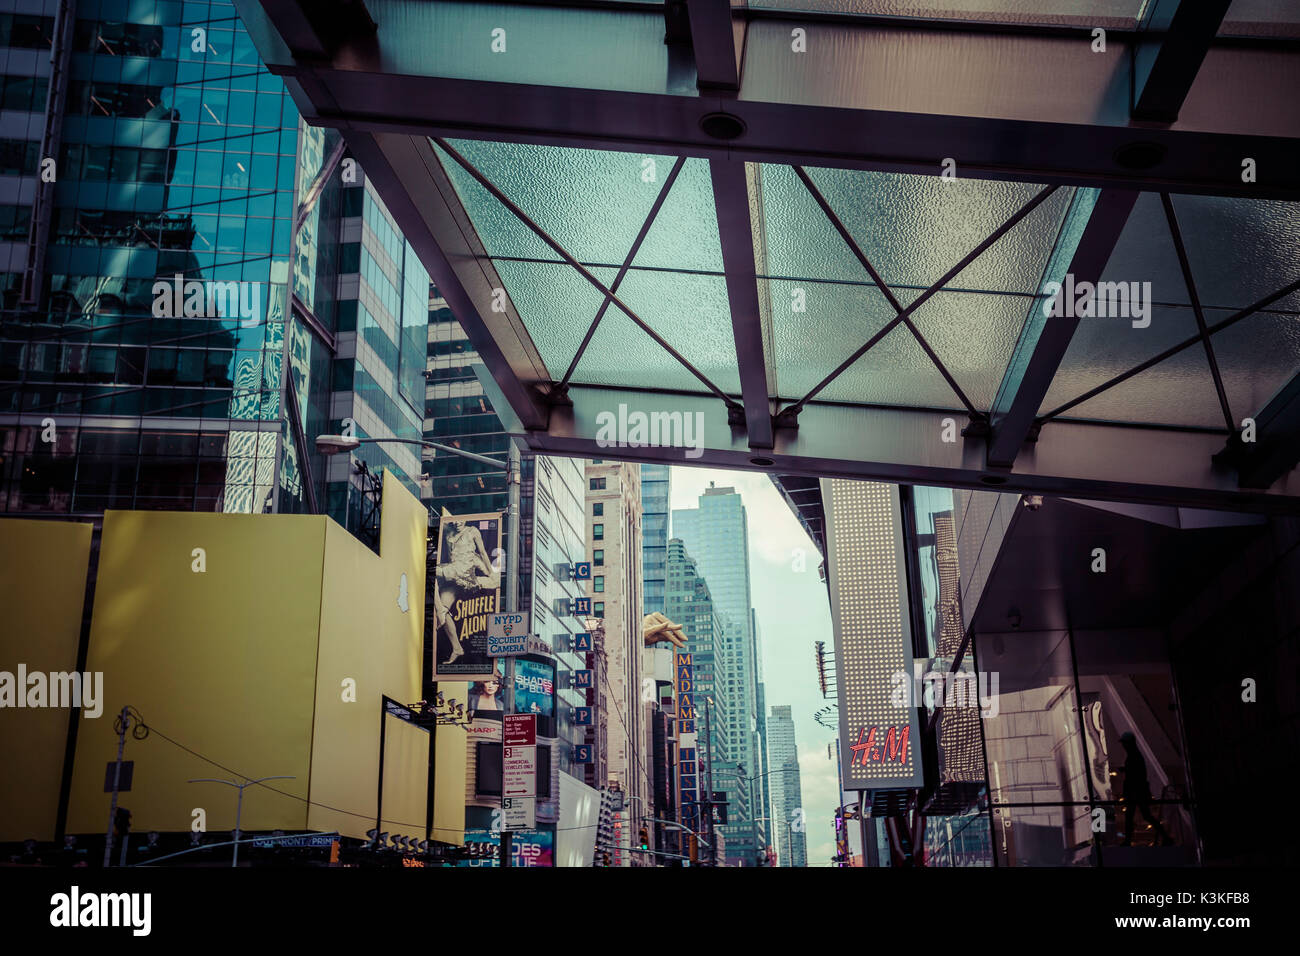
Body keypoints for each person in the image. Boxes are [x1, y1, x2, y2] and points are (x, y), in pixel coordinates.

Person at [434, 513, 500, 666]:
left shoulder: (473, 531)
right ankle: (457, 648)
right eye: (454, 521)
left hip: (462, 573)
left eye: (460, 519)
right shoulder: (449, 533)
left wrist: (491, 572)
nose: (457, 523)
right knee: (442, 611)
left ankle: (440, 611)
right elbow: (452, 555)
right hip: (453, 575)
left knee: (434, 573)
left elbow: (482, 553)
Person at [1118, 731, 1173, 846]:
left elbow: (1136, 776)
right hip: (1138, 791)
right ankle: (1165, 837)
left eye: (1124, 743)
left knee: (1132, 816)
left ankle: (1128, 840)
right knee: (1145, 815)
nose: (1123, 746)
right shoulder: (1135, 755)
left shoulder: (1134, 756)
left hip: (1135, 792)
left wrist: (1126, 772)